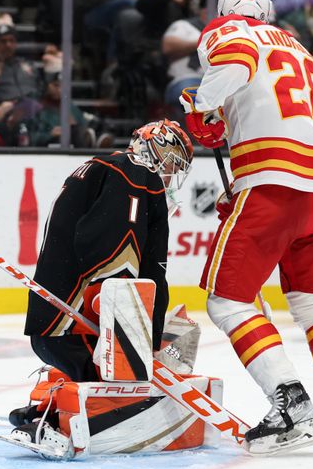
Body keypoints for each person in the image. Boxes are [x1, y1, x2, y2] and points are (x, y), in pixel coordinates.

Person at [179, 0, 313, 455]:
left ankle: (292, 406)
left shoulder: (230, 30)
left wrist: (202, 107)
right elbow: (278, 106)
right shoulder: (299, 48)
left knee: (228, 302)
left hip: (276, 182)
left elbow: (236, 61)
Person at [23, 119, 193, 381]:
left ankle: (51, 408)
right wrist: (119, 326)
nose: (171, 177)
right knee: (135, 381)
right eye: (172, 163)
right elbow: (117, 247)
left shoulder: (105, 166)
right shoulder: (135, 171)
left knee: (176, 331)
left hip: (56, 328)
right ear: (155, 149)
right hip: (77, 331)